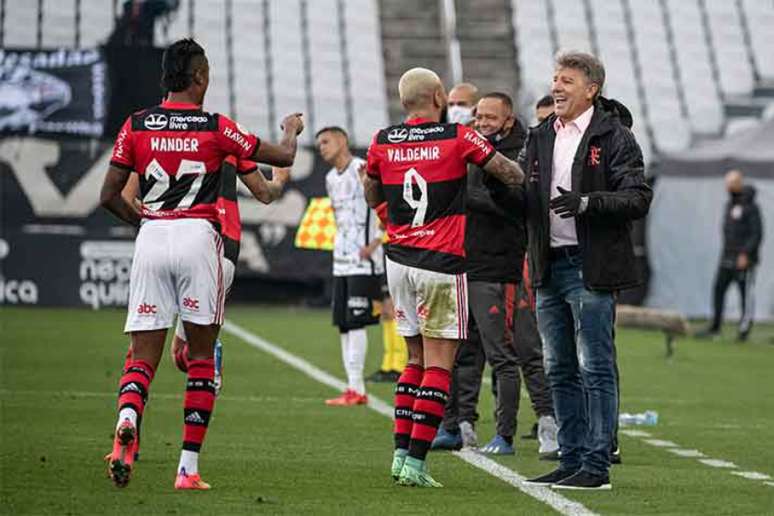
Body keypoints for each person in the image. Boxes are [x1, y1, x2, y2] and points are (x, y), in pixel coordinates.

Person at [99, 38, 303, 490]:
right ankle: (187, 469)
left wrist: (147, 222)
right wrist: (291, 128)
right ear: (200, 78)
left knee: (141, 359)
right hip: (199, 238)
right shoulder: (216, 127)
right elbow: (283, 159)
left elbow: (108, 195)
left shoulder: (136, 125)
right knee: (200, 358)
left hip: (152, 236)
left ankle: (128, 419)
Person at [361, 67, 525, 487]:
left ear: (403, 101)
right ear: (438, 97)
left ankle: (400, 456)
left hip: (398, 259)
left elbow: (372, 193)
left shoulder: (381, 140)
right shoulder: (458, 136)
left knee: (412, 360)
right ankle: (416, 463)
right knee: (439, 366)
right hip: (441, 261)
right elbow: (510, 172)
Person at [522, 52, 652, 490]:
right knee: (558, 367)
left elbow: (638, 197)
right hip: (549, 265)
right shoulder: (540, 135)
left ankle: (597, 465)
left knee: (595, 365)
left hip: (590, 266)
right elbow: (526, 198)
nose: (556, 87)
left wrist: (586, 203)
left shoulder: (614, 136)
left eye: (567, 80)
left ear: (591, 88)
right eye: (555, 79)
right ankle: (570, 458)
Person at [317, 126, 384, 406]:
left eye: (326, 141)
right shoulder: (331, 178)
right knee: (344, 324)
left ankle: (358, 388)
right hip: (341, 261)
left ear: (343, 140)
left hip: (364, 262)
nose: (322, 147)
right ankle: (352, 388)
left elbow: (383, 204)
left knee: (356, 322)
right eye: (319, 143)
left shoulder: (363, 169)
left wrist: (377, 242)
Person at [698, 169, 762, 341]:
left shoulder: (751, 207)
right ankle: (715, 325)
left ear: (738, 183)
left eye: (730, 183)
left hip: (743, 259)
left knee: (745, 295)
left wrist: (745, 254)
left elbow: (756, 234)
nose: (727, 187)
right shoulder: (730, 205)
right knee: (718, 289)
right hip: (726, 256)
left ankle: (744, 329)